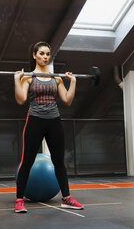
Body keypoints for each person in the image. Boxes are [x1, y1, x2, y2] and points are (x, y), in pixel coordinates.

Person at [14, 41, 84, 213]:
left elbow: (67, 100)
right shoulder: (29, 76)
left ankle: (66, 198)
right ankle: (19, 200)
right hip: (35, 121)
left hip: (54, 121)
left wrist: (73, 82)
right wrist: (17, 80)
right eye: (42, 53)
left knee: (58, 161)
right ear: (34, 55)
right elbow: (21, 99)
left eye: (47, 54)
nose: (45, 57)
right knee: (27, 162)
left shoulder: (56, 78)